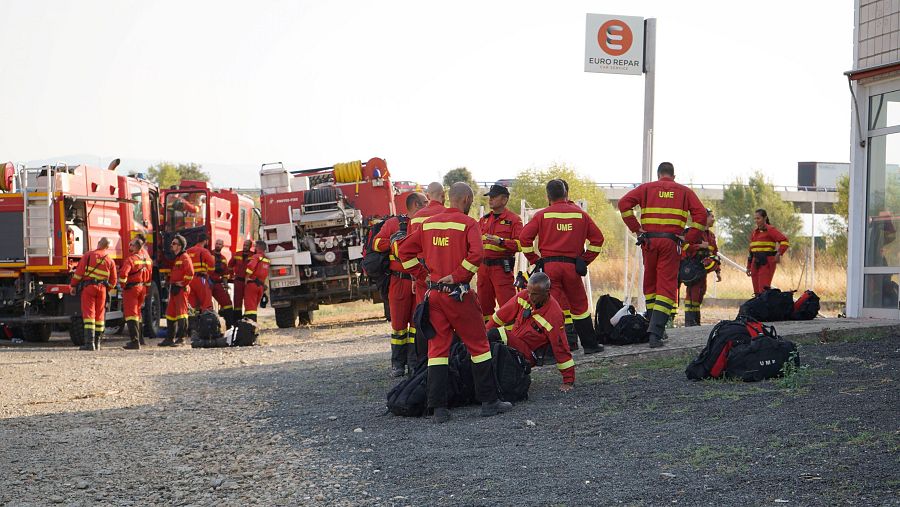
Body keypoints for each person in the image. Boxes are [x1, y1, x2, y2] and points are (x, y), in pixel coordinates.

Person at [397, 182, 513, 423]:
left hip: (434, 295)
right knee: (479, 346)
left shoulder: (428, 224)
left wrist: (421, 275)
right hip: (457, 294)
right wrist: (460, 275)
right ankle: (489, 401)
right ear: (467, 199)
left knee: (437, 350)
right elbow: (477, 255)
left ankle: (438, 408)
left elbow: (404, 251)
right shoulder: (468, 223)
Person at [618, 162, 707, 348]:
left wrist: (636, 229)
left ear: (659, 175)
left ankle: (651, 325)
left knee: (650, 284)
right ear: (673, 176)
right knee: (666, 287)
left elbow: (623, 204)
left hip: (648, 242)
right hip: (670, 242)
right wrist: (687, 238)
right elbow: (701, 216)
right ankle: (656, 332)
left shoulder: (646, 188)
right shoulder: (684, 191)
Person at [519, 179, 604, 354]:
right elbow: (598, 240)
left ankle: (551, 351)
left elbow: (524, 239)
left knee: (551, 307)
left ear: (548, 196)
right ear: (566, 194)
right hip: (572, 267)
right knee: (579, 306)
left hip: (550, 267)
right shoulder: (580, 215)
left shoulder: (542, 215)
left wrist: (534, 259)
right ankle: (589, 345)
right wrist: (585, 260)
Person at [486, 272, 575, 391]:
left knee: (495, 334)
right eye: (528, 291)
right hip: (514, 344)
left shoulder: (554, 315)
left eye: (534, 294)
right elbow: (500, 316)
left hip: (527, 355)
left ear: (546, 292)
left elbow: (561, 347)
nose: (530, 296)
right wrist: (483, 333)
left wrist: (568, 380)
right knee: (488, 338)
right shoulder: (524, 296)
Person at [373, 192, 428, 377]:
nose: (429, 206)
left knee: (416, 323)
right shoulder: (393, 223)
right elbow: (376, 243)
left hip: (418, 279)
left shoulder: (425, 222)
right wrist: (393, 241)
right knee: (398, 325)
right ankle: (397, 364)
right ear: (416, 204)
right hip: (399, 280)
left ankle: (414, 364)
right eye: (425, 203)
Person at [477, 184, 523, 322]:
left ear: (504, 200)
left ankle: (510, 338)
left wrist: (502, 242)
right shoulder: (484, 219)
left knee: (508, 306)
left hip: (501, 269)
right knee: (483, 307)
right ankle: (487, 337)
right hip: (483, 269)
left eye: (494, 197)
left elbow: (521, 245)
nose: (490, 200)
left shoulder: (514, 220)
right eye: (489, 197)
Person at [70, 237, 116, 351]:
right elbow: (113, 281)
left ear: (99, 243)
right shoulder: (110, 260)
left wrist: (73, 285)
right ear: (107, 247)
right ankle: (98, 343)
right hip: (103, 289)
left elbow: (78, 273)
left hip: (89, 288)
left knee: (89, 314)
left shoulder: (89, 255)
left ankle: (90, 344)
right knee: (100, 315)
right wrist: (107, 289)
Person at [681, 209, 721, 327]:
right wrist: (700, 246)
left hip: (703, 269)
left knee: (700, 292)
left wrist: (718, 270)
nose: (713, 219)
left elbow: (715, 253)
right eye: (711, 217)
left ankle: (695, 320)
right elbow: (685, 247)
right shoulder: (693, 232)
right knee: (692, 293)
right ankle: (689, 320)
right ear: (704, 218)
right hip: (692, 267)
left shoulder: (711, 236)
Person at [117, 235, 153, 349]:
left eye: (131, 244)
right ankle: (140, 339)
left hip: (131, 289)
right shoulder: (147, 259)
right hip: (142, 288)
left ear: (134, 247)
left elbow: (123, 274)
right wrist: (146, 289)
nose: (129, 246)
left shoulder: (131, 259)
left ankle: (134, 341)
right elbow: (149, 276)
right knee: (138, 314)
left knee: (131, 315)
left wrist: (123, 285)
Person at [159, 234, 193, 347]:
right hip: (174, 289)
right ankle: (170, 338)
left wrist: (183, 283)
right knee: (170, 314)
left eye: (174, 243)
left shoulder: (185, 257)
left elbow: (190, 273)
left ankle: (181, 339)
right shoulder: (178, 258)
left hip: (181, 289)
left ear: (180, 246)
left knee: (182, 314)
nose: (171, 245)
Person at [746, 208, 790, 295]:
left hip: (766, 262)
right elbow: (751, 251)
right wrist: (748, 266)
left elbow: (784, 241)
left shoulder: (771, 230)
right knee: (757, 292)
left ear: (765, 218)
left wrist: (778, 253)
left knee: (763, 290)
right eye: (755, 218)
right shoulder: (754, 233)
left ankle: (765, 307)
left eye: (758, 218)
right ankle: (758, 308)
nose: (756, 221)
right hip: (755, 262)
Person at [242, 240, 270, 322]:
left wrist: (246, 277)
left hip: (252, 284)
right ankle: (252, 325)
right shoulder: (267, 259)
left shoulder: (256, 256)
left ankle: (249, 327)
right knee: (254, 308)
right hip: (260, 286)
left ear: (257, 248)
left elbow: (250, 266)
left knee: (250, 307)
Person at [209, 238, 235, 326]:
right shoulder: (209, 254)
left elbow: (225, 274)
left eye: (220, 244)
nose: (218, 245)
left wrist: (226, 286)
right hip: (208, 283)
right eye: (217, 243)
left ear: (222, 246)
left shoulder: (223, 259)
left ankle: (229, 327)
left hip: (217, 283)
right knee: (206, 305)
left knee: (228, 304)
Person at [187, 233, 215, 312]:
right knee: (206, 302)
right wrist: (209, 273)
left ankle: (192, 322)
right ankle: (205, 321)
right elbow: (211, 263)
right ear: (205, 241)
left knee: (191, 304)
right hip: (200, 279)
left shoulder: (188, 251)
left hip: (189, 280)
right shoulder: (204, 251)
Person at [229, 239, 254, 319]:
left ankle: (247, 318)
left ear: (250, 246)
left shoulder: (253, 255)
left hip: (248, 282)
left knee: (248, 300)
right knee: (237, 300)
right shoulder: (237, 254)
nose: (245, 247)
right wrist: (231, 275)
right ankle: (237, 318)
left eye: (247, 245)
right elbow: (230, 265)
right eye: (244, 245)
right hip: (238, 280)